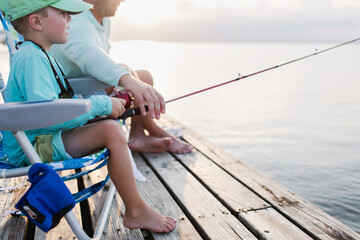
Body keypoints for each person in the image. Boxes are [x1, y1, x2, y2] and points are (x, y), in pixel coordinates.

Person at [0, 0, 176, 233]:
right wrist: (101, 105)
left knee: (107, 124)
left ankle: (135, 205)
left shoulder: (41, 54)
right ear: (36, 22)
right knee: (110, 130)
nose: (70, 19)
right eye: (63, 14)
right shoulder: (32, 59)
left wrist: (107, 105)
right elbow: (47, 113)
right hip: (31, 146)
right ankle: (136, 211)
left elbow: (56, 104)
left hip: (42, 136)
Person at [50, 0, 193, 154]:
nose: (122, 0)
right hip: (76, 99)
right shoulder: (77, 19)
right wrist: (127, 78)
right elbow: (86, 53)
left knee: (144, 76)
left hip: (89, 88)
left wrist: (130, 79)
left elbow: (102, 58)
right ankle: (156, 131)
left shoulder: (104, 22)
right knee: (130, 75)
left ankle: (137, 136)